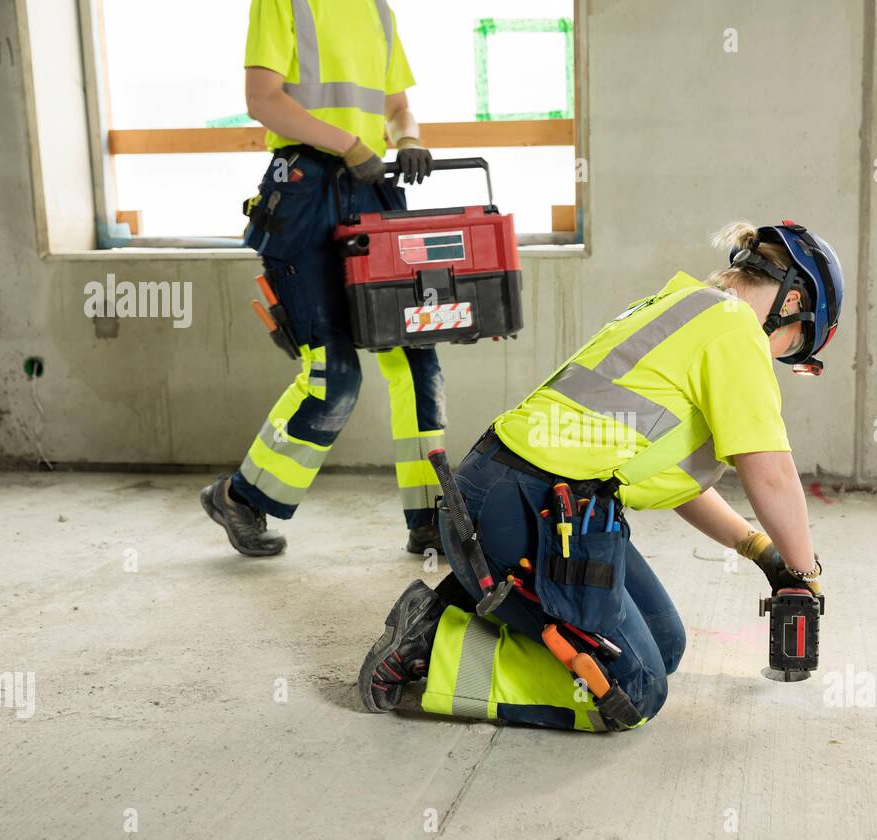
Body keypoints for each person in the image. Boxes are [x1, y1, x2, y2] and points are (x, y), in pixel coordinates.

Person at [359, 220, 844, 732]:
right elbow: (771, 477)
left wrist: (760, 550)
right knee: (635, 693)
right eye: (794, 345)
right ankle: (431, 646)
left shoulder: (687, 308)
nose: (780, 356)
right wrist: (806, 574)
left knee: (665, 645)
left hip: (535, 499)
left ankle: (476, 609)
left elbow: (682, 483)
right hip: (529, 507)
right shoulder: (737, 331)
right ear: (791, 304)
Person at [200, 0, 446, 558]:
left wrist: (406, 140)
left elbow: (397, 105)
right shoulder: (284, 4)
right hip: (308, 193)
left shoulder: (377, 10)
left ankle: (429, 516)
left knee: (416, 362)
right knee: (334, 376)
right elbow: (263, 100)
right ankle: (242, 497)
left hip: (375, 194)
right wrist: (350, 144)